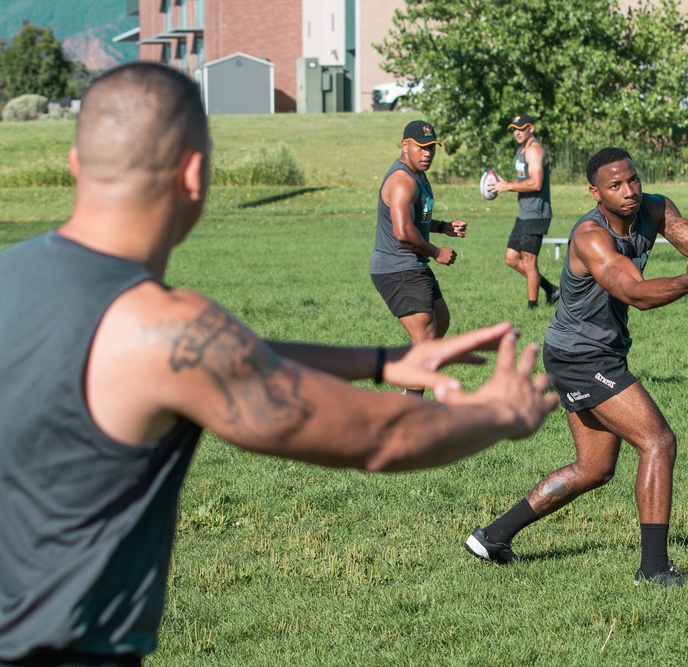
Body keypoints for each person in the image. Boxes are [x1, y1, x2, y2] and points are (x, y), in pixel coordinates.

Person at [0, 63, 559, 666]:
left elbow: (231, 355)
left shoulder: (22, 279)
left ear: (75, 163)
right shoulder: (165, 331)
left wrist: (384, 360)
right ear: (195, 174)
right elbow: (379, 436)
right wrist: (496, 414)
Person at [465, 147, 688, 588]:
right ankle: (653, 570)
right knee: (658, 441)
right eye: (615, 186)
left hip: (597, 352)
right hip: (579, 357)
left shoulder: (655, 207)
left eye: (633, 180)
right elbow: (635, 293)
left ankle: (493, 537)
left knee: (594, 469)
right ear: (596, 192)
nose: (629, 191)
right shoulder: (591, 237)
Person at [370, 120, 468, 396]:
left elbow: (416, 219)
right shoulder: (402, 180)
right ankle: (410, 409)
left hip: (411, 263)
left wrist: (443, 227)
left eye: (432, 148)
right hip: (397, 267)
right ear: (405, 146)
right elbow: (403, 232)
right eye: (421, 147)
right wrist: (437, 252)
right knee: (424, 339)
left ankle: (410, 386)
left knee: (440, 321)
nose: (427, 153)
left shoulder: (417, 175)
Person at [488, 113, 560, 309]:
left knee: (529, 261)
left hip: (537, 214)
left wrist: (508, 186)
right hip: (525, 213)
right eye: (514, 129)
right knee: (511, 258)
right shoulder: (522, 150)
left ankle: (532, 307)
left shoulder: (535, 150)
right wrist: (507, 185)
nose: (517, 132)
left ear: (531, 128)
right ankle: (551, 289)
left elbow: (536, 183)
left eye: (521, 128)